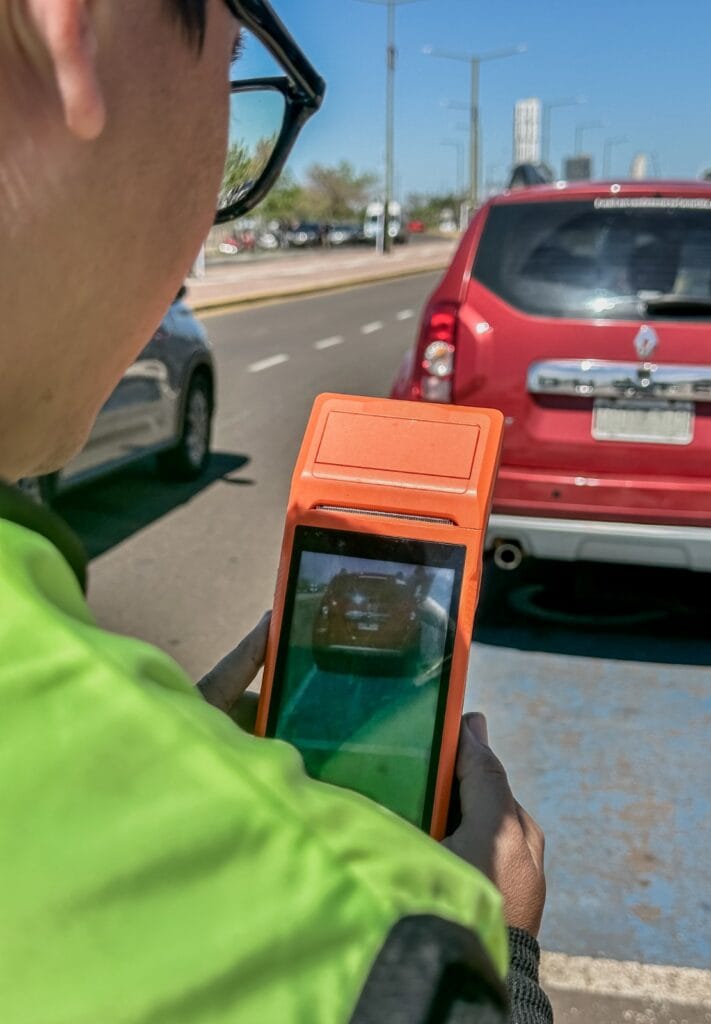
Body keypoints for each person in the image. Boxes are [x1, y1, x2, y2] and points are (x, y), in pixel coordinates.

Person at [0, 2, 551, 1021]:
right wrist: (499, 947)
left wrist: (141, 760)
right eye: (234, 69)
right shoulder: (365, 932)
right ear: (68, 21)